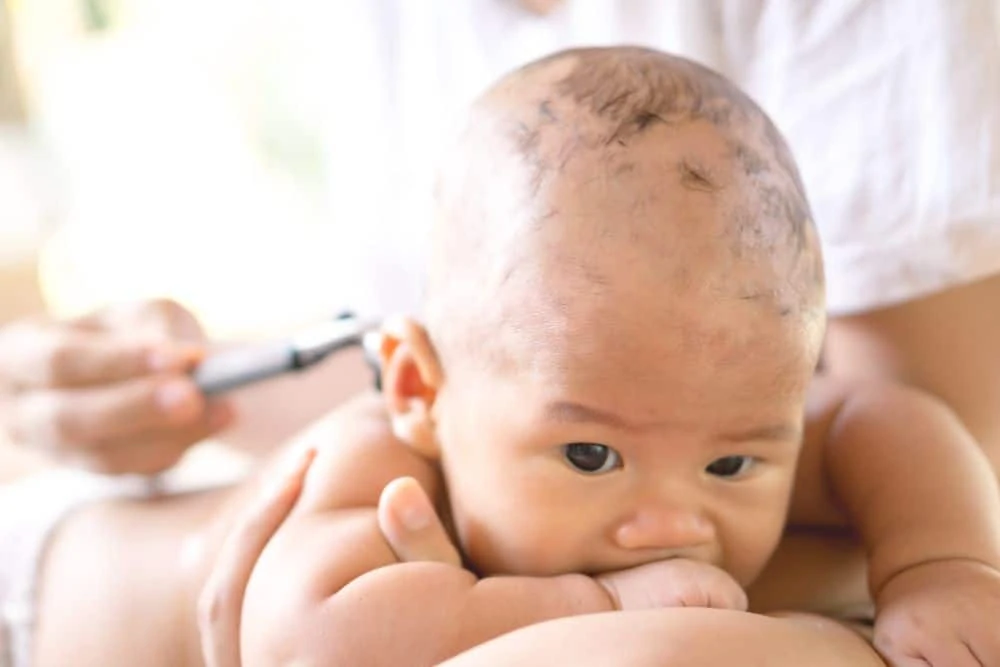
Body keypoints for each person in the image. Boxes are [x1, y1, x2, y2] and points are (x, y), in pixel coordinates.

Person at [8, 46, 1000, 667]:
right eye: (589, 457)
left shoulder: (688, 396)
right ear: (417, 388)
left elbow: (887, 417)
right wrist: (600, 603)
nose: (670, 521)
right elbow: (312, 642)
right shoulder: (383, 467)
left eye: (732, 464)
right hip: (42, 601)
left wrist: (941, 566)